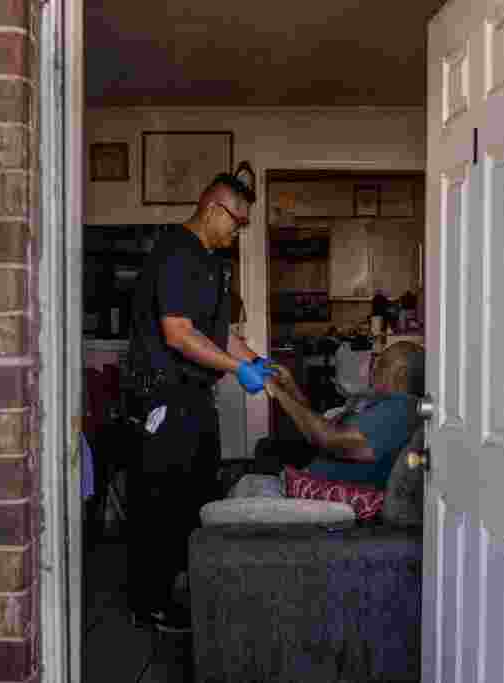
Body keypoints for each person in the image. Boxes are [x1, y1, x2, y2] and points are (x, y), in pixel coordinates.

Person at [126, 163, 277, 633]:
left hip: (196, 400)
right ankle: (149, 605)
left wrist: (262, 362)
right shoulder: (176, 252)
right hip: (164, 398)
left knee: (198, 497)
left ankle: (190, 593)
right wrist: (239, 370)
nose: (241, 231)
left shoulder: (212, 262)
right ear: (213, 209)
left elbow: (219, 335)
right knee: (162, 503)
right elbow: (177, 334)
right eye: (238, 221)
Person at [251, 341, 425, 491]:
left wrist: (280, 394)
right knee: (267, 449)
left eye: (382, 364)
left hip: (325, 488)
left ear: (401, 373)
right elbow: (322, 427)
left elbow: (328, 438)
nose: (373, 369)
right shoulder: (382, 403)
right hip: (317, 465)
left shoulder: (400, 407)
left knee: (267, 454)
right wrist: (289, 386)